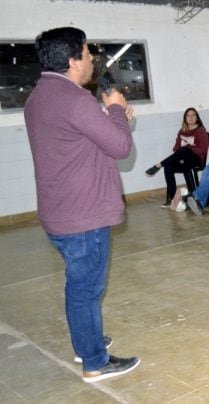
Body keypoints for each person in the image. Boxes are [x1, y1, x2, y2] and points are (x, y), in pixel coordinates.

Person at [25, 26, 140, 382]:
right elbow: (120, 147)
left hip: (60, 211)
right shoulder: (76, 99)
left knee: (78, 284)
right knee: (87, 289)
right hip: (83, 215)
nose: (91, 60)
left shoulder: (39, 97)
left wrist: (108, 121)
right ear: (74, 59)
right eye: (88, 54)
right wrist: (117, 111)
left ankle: (85, 342)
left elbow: (73, 141)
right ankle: (95, 360)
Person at [145, 108, 209, 207]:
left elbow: (202, 150)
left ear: (197, 118)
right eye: (188, 115)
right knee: (168, 167)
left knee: (185, 149)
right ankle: (173, 198)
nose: (191, 117)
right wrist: (181, 156)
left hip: (196, 160)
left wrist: (187, 150)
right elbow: (176, 148)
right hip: (183, 161)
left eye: (193, 115)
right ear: (185, 118)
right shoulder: (182, 131)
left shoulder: (200, 130)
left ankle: (158, 165)